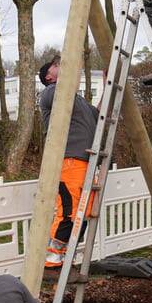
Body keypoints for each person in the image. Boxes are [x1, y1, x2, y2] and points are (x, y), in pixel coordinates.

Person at [39, 55, 99, 280]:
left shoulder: (79, 101)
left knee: (82, 215)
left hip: (86, 162)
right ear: (49, 76)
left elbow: (99, 115)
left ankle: (66, 262)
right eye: (58, 66)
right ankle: (50, 263)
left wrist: (109, 89)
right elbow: (67, 85)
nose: (63, 68)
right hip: (68, 161)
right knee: (69, 212)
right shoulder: (51, 92)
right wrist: (77, 63)